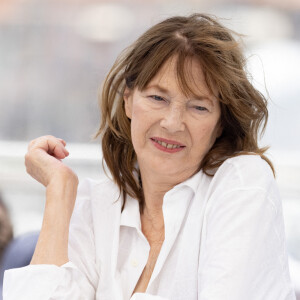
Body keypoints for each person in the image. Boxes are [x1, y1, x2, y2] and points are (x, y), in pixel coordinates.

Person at [3, 13, 296, 300]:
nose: (172, 122)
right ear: (128, 100)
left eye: (198, 107)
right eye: (158, 98)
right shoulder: (96, 207)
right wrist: (59, 190)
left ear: (221, 123)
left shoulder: (242, 184)